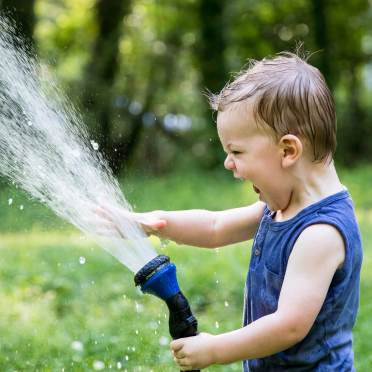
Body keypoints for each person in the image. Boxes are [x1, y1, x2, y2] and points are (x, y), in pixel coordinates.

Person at [101, 52, 363, 371]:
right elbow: (214, 227)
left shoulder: (320, 234)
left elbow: (289, 325)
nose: (229, 163)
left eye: (236, 151)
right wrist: (154, 223)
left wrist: (214, 349)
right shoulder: (278, 207)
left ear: (288, 150)